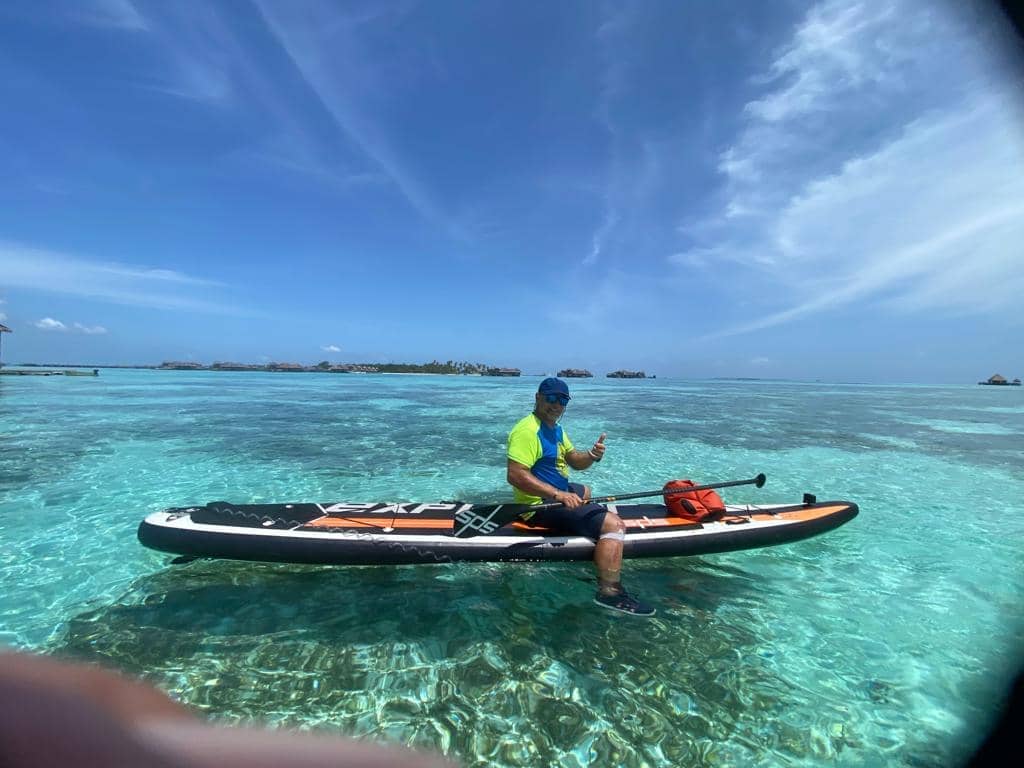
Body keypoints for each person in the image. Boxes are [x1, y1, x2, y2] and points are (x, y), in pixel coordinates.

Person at [506, 377, 654, 616]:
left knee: (585, 491)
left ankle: (591, 540)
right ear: (537, 397)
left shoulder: (555, 429)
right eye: (551, 398)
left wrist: (592, 455)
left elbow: (574, 460)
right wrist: (558, 494)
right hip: (539, 507)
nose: (556, 405)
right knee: (614, 525)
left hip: (555, 496)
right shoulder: (527, 430)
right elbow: (515, 475)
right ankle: (610, 593)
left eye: (562, 400)